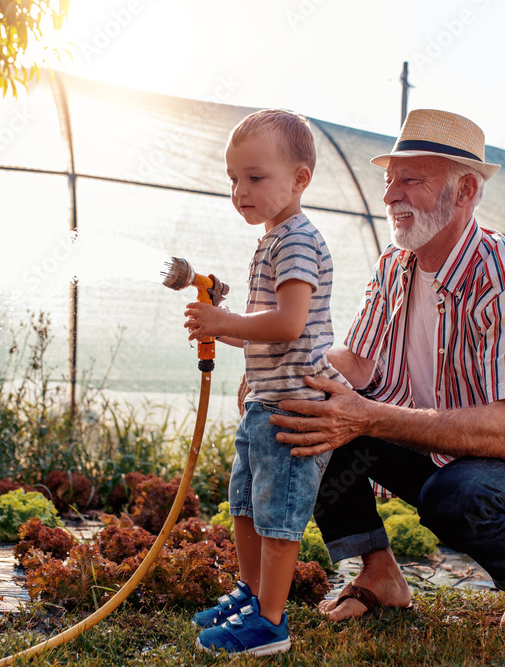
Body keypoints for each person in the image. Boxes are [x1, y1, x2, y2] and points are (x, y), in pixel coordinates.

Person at [268, 109, 505, 632]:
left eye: (411, 180)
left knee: (457, 497)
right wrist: (280, 372)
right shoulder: (395, 265)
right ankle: (381, 576)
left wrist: (366, 417)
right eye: (389, 179)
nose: (392, 194)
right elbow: (356, 362)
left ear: (465, 191)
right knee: (307, 410)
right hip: (429, 443)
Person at [182, 108, 350, 656]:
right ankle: (251, 596)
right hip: (267, 402)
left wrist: (225, 322)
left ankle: (270, 624)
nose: (240, 191)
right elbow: (265, 331)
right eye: (234, 179)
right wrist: (222, 324)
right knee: (246, 506)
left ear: (300, 178)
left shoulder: (296, 241)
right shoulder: (272, 240)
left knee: (276, 517)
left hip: (294, 409)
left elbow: (288, 324)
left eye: (255, 178)